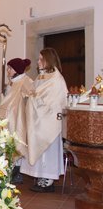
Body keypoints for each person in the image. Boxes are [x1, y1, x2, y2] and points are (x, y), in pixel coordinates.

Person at [22, 48, 68, 193]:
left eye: (41, 59)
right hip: (38, 119)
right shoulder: (41, 76)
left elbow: (55, 101)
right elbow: (34, 92)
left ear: (49, 60)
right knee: (39, 149)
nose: (38, 62)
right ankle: (41, 176)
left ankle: (48, 179)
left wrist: (34, 99)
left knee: (48, 150)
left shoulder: (56, 79)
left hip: (49, 122)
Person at [0, 58, 33, 183]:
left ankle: (17, 171)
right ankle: (8, 168)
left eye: (10, 68)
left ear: (17, 70)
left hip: (17, 118)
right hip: (7, 117)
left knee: (16, 142)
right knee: (7, 143)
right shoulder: (13, 82)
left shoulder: (25, 81)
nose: (8, 70)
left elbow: (31, 97)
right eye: (8, 68)